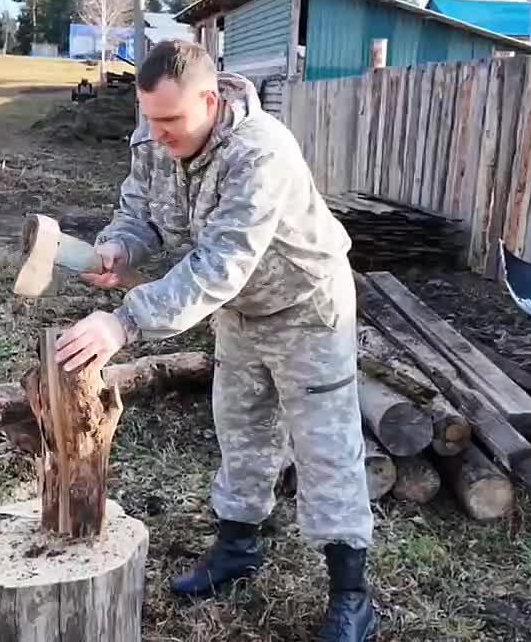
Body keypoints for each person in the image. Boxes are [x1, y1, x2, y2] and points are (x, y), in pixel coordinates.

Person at [53, 39, 375, 642]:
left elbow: (220, 264)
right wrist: (120, 246)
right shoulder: (156, 132)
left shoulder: (261, 153)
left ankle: (351, 593)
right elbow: (141, 212)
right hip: (240, 309)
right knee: (240, 426)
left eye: (170, 121)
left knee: (325, 446)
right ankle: (237, 549)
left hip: (306, 307)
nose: (157, 134)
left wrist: (124, 322)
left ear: (209, 100)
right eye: (150, 119)